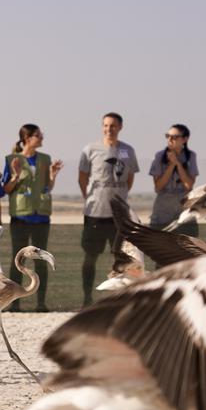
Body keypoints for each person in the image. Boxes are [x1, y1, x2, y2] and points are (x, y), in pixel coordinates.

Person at [78, 112, 138, 306]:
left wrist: (118, 197)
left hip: (119, 216)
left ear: (120, 127)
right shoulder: (90, 149)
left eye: (112, 126)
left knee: (121, 258)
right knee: (90, 256)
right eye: (105, 125)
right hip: (95, 212)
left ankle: (118, 299)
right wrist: (91, 197)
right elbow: (82, 177)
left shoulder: (128, 150)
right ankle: (87, 298)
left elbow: (129, 179)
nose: (108, 129)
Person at [2, 124, 63, 311]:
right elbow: (6, 189)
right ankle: (14, 303)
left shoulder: (45, 159)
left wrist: (52, 175)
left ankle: (41, 303)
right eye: (38, 135)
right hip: (21, 216)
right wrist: (15, 175)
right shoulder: (12, 159)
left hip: (41, 217)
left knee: (41, 260)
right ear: (27, 138)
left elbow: (47, 187)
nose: (42, 137)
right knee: (18, 259)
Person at [149, 124, 199, 235]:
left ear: (185, 139)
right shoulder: (159, 156)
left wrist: (178, 164)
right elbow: (158, 187)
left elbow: (188, 185)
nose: (170, 139)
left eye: (175, 137)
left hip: (184, 208)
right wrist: (171, 165)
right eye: (168, 136)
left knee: (188, 246)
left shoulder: (191, 156)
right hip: (163, 209)